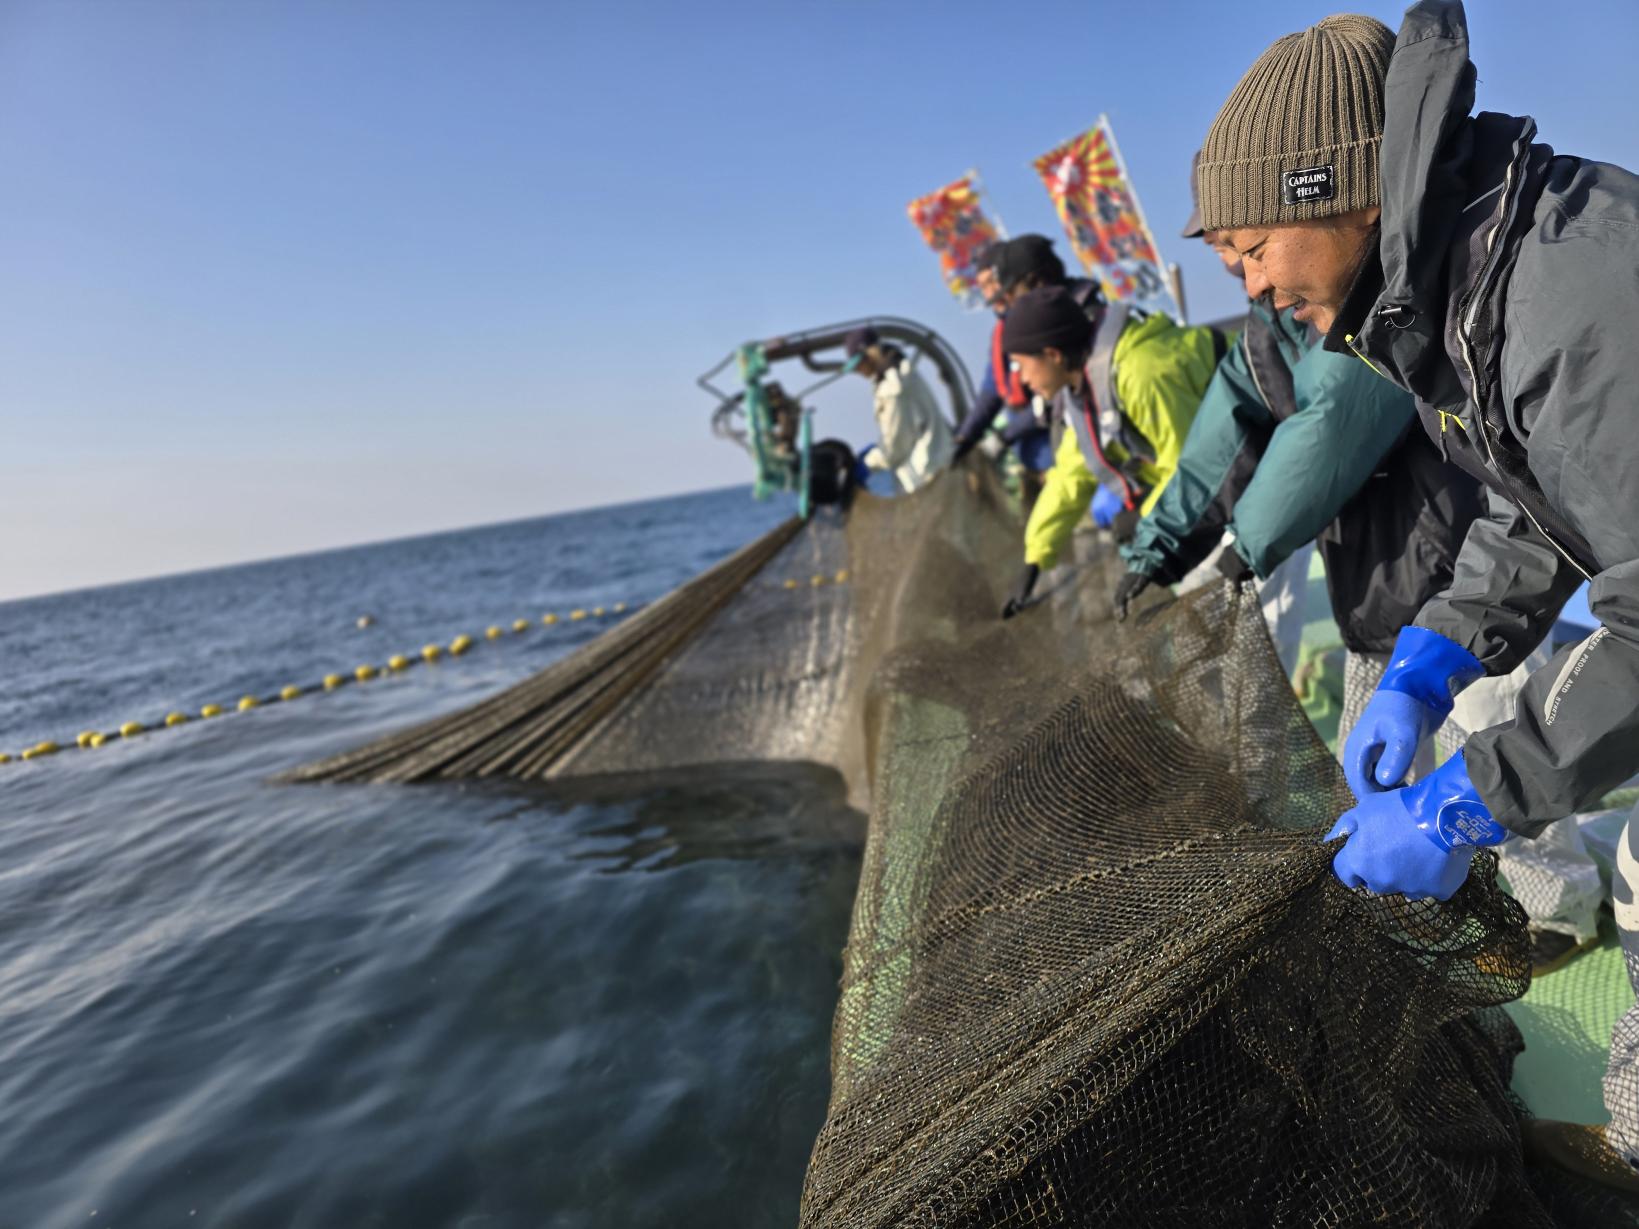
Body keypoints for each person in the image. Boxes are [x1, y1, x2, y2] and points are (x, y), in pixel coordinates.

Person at [1197, 2, 1639, 1187]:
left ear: (1322, 190)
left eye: (1246, 249)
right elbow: (1532, 504)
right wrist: (1431, 656)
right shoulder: (1468, 280)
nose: (1248, 285)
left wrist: (1469, 803)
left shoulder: (1568, 289)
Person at [1118, 163, 1483, 692]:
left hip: (1464, 575)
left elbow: (1333, 417)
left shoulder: (1368, 289)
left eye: (1245, 246)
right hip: (1378, 585)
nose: (1242, 272)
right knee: (1377, 761)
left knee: (1478, 747)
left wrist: (1244, 546)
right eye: (1221, 249)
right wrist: (1158, 548)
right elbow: (1221, 441)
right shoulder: (1266, 323)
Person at [998, 283, 1220, 619]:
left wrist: (1146, 512)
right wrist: (1035, 557)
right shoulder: (1082, 394)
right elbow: (1070, 476)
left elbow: (1197, 465)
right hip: (1211, 503)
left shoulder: (1140, 372)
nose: (1022, 380)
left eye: (1020, 365)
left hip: (1258, 471)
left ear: (1053, 355)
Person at [950, 243, 1055, 506]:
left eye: (992, 283)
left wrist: (1005, 436)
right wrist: (965, 437)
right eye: (982, 286)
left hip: (1060, 451)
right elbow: (991, 390)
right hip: (1029, 460)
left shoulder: (1043, 320)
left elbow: (1056, 395)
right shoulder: (1002, 334)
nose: (989, 293)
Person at [844, 326, 955, 494]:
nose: (858, 371)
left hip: (925, 477)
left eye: (859, 364)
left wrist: (868, 463)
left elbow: (895, 448)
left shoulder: (893, 388)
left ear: (870, 353)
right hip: (937, 467)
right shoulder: (901, 370)